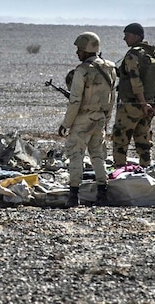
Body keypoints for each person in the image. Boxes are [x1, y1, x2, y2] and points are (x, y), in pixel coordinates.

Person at [57, 32, 117, 207]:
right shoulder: (110, 68)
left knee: (75, 154)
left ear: (86, 50)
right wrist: (106, 119)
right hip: (99, 118)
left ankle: (73, 195)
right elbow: (112, 98)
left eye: (79, 49)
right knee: (98, 156)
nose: (77, 53)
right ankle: (102, 193)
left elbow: (75, 100)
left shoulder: (82, 71)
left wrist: (66, 124)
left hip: (83, 118)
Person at [112, 22, 155, 168]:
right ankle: (147, 173)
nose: (125, 39)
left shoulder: (133, 54)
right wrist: (154, 104)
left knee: (120, 140)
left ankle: (119, 174)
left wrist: (142, 103)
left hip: (132, 105)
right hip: (148, 106)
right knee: (144, 144)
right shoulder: (154, 55)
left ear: (137, 36)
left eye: (127, 35)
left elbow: (135, 81)